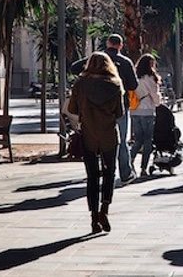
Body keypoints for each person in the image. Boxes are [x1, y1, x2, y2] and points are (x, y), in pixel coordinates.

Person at [67, 52, 124, 234]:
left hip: (89, 135)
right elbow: (120, 113)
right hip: (109, 135)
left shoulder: (80, 84)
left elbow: (72, 109)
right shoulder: (115, 85)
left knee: (92, 176)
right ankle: (104, 210)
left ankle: (93, 217)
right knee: (110, 173)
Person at [71, 34, 138, 184]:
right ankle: (125, 173)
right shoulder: (125, 62)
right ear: (120, 45)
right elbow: (133, 85)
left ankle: (103, 170)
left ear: (107, 43)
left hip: (94, 108)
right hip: (118, 106)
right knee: (120, 140)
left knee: (97, 139)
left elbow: (74, 67)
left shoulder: (95, 61)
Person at [130, 54, 162, 177]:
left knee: (137, 139)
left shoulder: (135, 77)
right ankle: (143, 167)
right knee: (147, 140)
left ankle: (130, 161)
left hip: (134, 110)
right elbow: (155, 96)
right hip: (147, 111)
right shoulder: (150, 78)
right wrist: (158, 102)